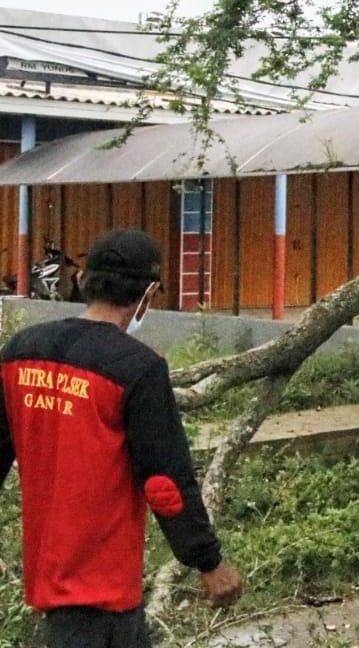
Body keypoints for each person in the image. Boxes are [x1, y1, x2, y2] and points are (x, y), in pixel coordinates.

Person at [0, 228, 243, 648]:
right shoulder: (137, 368)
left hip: (50, 585)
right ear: (147, 294)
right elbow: (164, 481)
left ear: (82, 280)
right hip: (104, 595)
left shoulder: (21, 351)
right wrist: (209, 562)